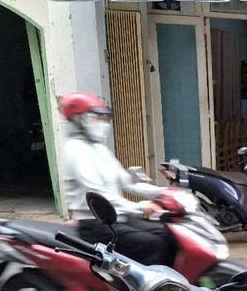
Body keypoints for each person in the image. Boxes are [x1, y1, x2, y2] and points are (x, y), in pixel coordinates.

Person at [59, 92, 176, 266]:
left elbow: (127, 182)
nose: (102, 123)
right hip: (96, 224)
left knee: (169, 236)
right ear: (79, 119)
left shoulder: (99, 148)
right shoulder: (75, 150)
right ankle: (139, 283)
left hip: (118, 218)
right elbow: (99, 194)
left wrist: (164, 192)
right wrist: (141, 206)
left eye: (104, 118)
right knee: (155, 244)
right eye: (96, 117)